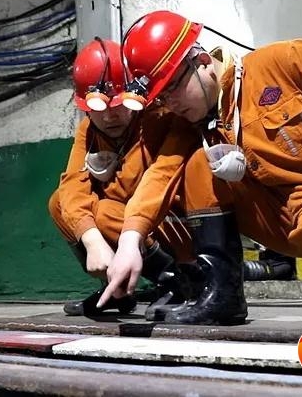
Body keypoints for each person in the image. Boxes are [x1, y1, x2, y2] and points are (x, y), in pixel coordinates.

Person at [99, 11, 302, 325]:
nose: (172, 104)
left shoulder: (284, 61)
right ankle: (223, 295)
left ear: (201, 61)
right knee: (196, 164)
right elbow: (161, 174)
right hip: (269, 218)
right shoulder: (189, 121)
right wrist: (129, 240)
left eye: (172, 88)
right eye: (161, 97)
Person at [48, 37, 201, 320]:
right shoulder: (89, 132)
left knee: (103, 211)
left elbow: (160, 179)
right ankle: (117, 289)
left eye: (119, 104)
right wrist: (92, 241)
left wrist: (125, 228)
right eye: (98, 108)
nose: (110, 116)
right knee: (60, 203)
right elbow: (71, 187)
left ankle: (177, 281)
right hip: (129, 225)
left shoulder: (160, 118)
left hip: (172, 223)